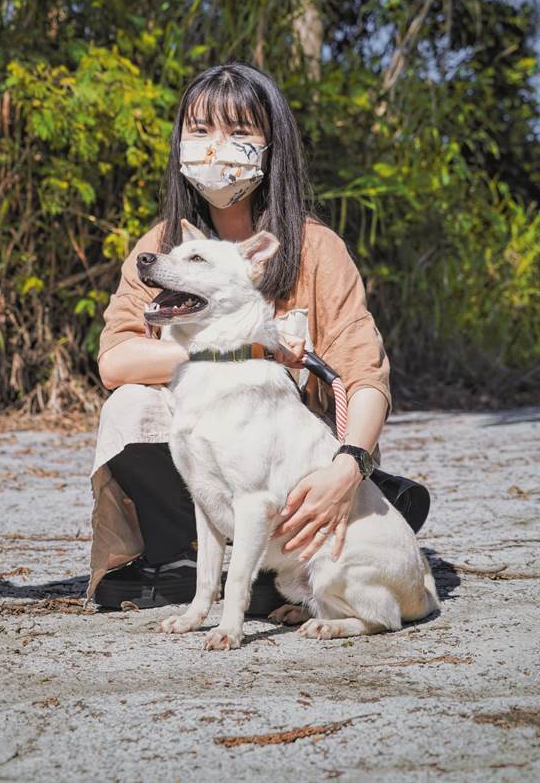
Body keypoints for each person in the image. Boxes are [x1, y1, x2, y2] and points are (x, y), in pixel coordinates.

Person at [88, 60, 430, 614]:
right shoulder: (164, 247)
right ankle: (181, 555)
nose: (215, 148)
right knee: (129, 409)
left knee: (297, 453)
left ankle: (330, 536)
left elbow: (365, 375)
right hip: (209, 442)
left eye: (239, 132)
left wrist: (347, 470)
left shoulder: (317, 249)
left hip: (295, 456)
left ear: (273, 146)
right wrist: (234, 347)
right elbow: (117, 360)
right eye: (199, 131)